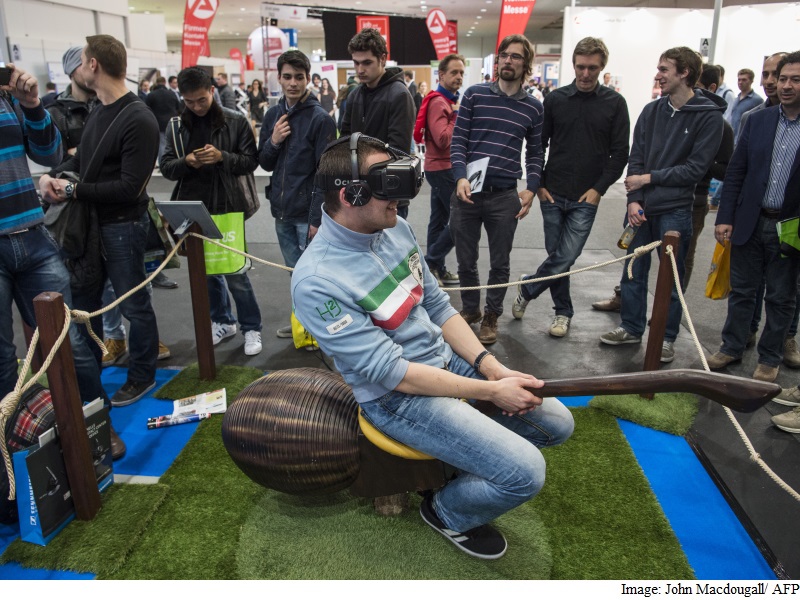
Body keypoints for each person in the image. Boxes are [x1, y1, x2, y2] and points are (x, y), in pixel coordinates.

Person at [291, 134, 574, 560]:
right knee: (524, 474)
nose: (402, 201)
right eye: (389, 186)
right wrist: (490, 391)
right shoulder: (317, 281)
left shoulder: (395, 228)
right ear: (350, 194)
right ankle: (444, 511)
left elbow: (439, 306)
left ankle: (459, 459)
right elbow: (391, 374)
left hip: (444, 363)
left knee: (556, 423)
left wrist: (490, 367)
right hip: (397, 399)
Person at [0, 62, 124, 458]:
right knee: (2, 358)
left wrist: (33, 106)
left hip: (33, 236)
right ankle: (16, 457)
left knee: (70, 341)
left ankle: (97, 427)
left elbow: (49, 152)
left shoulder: (8, 99)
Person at [39, 34, 161, 408]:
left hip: (123, 226)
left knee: (133, 304)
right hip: (90, 228)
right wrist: (53, 175)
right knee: (85, 308)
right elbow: (83, 161)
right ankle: (89, 385)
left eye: (84, 59)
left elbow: (128, 187)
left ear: (94, 65)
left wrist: (74, 191)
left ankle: (142, 375)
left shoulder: (138, 117)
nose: (79, 66)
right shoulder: (98, 109)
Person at [598, 47, 724, 364]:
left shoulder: (709, 118)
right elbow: (635, 157)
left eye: (664, 69)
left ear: (684, 73)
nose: (658, 75)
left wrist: (647, 180)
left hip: (676, 211)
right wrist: (633, 200)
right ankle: (631, 327)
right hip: (642, 209)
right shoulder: (652, 111)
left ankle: (666, 338)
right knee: (633, 271)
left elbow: (695, 170)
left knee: (671, 279)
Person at [511, 37, 630, 338]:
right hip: (552, 192)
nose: (585, 73)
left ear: (602, 67)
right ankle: (563, 313)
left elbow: (620, 153)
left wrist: (600, 188)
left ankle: (529, 286)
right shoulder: (555, 99)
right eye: (580, 67)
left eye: (592, 67)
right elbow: (538, 145)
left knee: (565, 257)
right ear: (573, 65)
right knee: (558, 257)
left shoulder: (615, 104)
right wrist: (537, 185)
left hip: (585, 197)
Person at [705, 51, 800, 383]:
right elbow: (736, 173)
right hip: (750, 220)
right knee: (743, 291)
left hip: (791, 228)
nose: (785, 86)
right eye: (782, 78)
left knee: (780, 296)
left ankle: (770, 357)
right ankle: (731, 347)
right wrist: (724, 216)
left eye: (794, 80)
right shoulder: (757, 120)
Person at [161, 67, 263, 356]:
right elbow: (167, 167)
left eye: (201, 100)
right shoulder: (176, 125)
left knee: (235, 272)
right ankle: (222, 321)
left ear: (211, 92)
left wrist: (221, 157)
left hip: (227, 205)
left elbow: (249, 162)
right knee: (206, 273)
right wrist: (187, 162)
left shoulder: (235, 121)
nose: (195, 106)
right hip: (191, 208)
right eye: (189, 101)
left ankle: (251, 327)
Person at [450, 34, 544, 345]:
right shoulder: (475, 95)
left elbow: (534, 153)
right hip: (468, 191)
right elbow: (459, 141)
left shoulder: (533, 108)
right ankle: (470, 309)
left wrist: (531, 187)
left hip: (505, 195)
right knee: (465, 259)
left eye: (516, 56)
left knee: (500, 262)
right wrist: (460, 176)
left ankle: (491, 315)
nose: (508, 60)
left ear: (525, 64)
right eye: (504, 54)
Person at [259, 50, 336, 339]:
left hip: (307, 214)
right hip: (281, 211)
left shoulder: (320, 119)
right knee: (295, 273)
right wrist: (274, 141)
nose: (293, 83)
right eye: (287, 77)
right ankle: (302, 325)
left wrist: (317, 218)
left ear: (308, 79)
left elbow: (325, 174)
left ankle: (322, 330)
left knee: (315, 277)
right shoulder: (272, 115)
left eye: (299, 77)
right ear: (279, 77)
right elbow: (264, 162)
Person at [338, 28, 416, 219]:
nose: (360, 70)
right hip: (359, 189)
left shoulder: (399, 95)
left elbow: (398, 151)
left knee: (388, 248)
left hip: (388, 193)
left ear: (382, 59)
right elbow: (345, 139)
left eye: (367, 63)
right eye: (356, 63)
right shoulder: (355, 94)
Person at [416, 53, 466, 287]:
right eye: (454, 72)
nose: (459, 77)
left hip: (440, 167)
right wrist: (457, 115)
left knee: (439, 220)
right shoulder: (440, 103)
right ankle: (432, 261)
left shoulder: (444, 101)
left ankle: (435, 269)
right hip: (443, 168)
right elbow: (444, 139)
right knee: (461, 218)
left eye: (461, 73)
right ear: (441, 75)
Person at [46, 46, 97, 156]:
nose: (91, 69)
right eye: (83, 63)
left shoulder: (106, 103)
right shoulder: (55, 113)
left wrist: (77, 152)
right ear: (71, 70)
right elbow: (59, 160)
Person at [145, 76, 181, 163]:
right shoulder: (172, 94)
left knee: (161, 144)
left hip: (158, 123)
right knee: (172, 143)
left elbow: (146, 109)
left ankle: (163, 163)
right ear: (165, 83)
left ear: (156, 83)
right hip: (171, 122)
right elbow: (179, 107)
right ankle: (172, 161)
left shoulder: (151, 95)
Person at [728, 68, 763, 141]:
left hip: (744, 139)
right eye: (739, 80)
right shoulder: (736, 99)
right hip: (731, 139)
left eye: (744, 80)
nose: (740, 82)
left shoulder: (757, 100)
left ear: (751, 81)